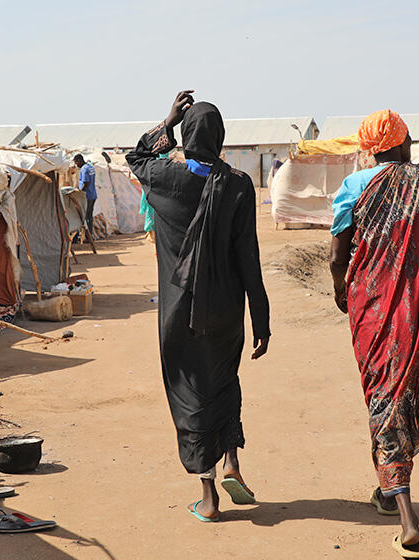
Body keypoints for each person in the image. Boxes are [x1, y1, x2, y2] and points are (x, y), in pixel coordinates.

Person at [127, 91, 270, 523]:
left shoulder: (166, 179)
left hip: (178, 314)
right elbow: (250, 257)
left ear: (187, 136)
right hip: (227, 310)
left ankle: (208, 499)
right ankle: (232, 463)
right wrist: (261, 318)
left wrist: (167, 120)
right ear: (221, 138)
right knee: (225, 382)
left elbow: (135, 156)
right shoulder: (240, 185)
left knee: (190, 394)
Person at [329, 110, 419, 559]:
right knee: (403, 395)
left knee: (384, 401)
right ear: (404, 143)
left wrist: (340, 292)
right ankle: (387, 490)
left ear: (370, 148)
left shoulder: (356, 185)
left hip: (374, 309)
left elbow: (336, 255)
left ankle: (408, 520)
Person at [74, 154, 98, 234]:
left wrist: (79, 192)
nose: (76, 165)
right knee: (89, 216)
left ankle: (88, 236)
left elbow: (85, 182)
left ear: (79, 160)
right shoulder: (90, 167)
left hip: (87, 195)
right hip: (93, 194)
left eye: (76, 163)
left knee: (85, 216)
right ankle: (90, 234)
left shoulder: (84, 169)